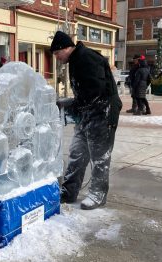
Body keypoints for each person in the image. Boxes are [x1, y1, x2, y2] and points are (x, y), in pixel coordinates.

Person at [50, 31, 122, 210]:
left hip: (102, 113)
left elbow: (95, 92)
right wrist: (72, 105)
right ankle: (69, 191)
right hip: (87, 115)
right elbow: (84, 93)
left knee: (99, 157)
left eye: (57, 54)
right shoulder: (76, 60)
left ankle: (98, 195)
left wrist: (71, 104)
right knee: (77, 153)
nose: (57, 58)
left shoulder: (87, 58)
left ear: (66, 48)